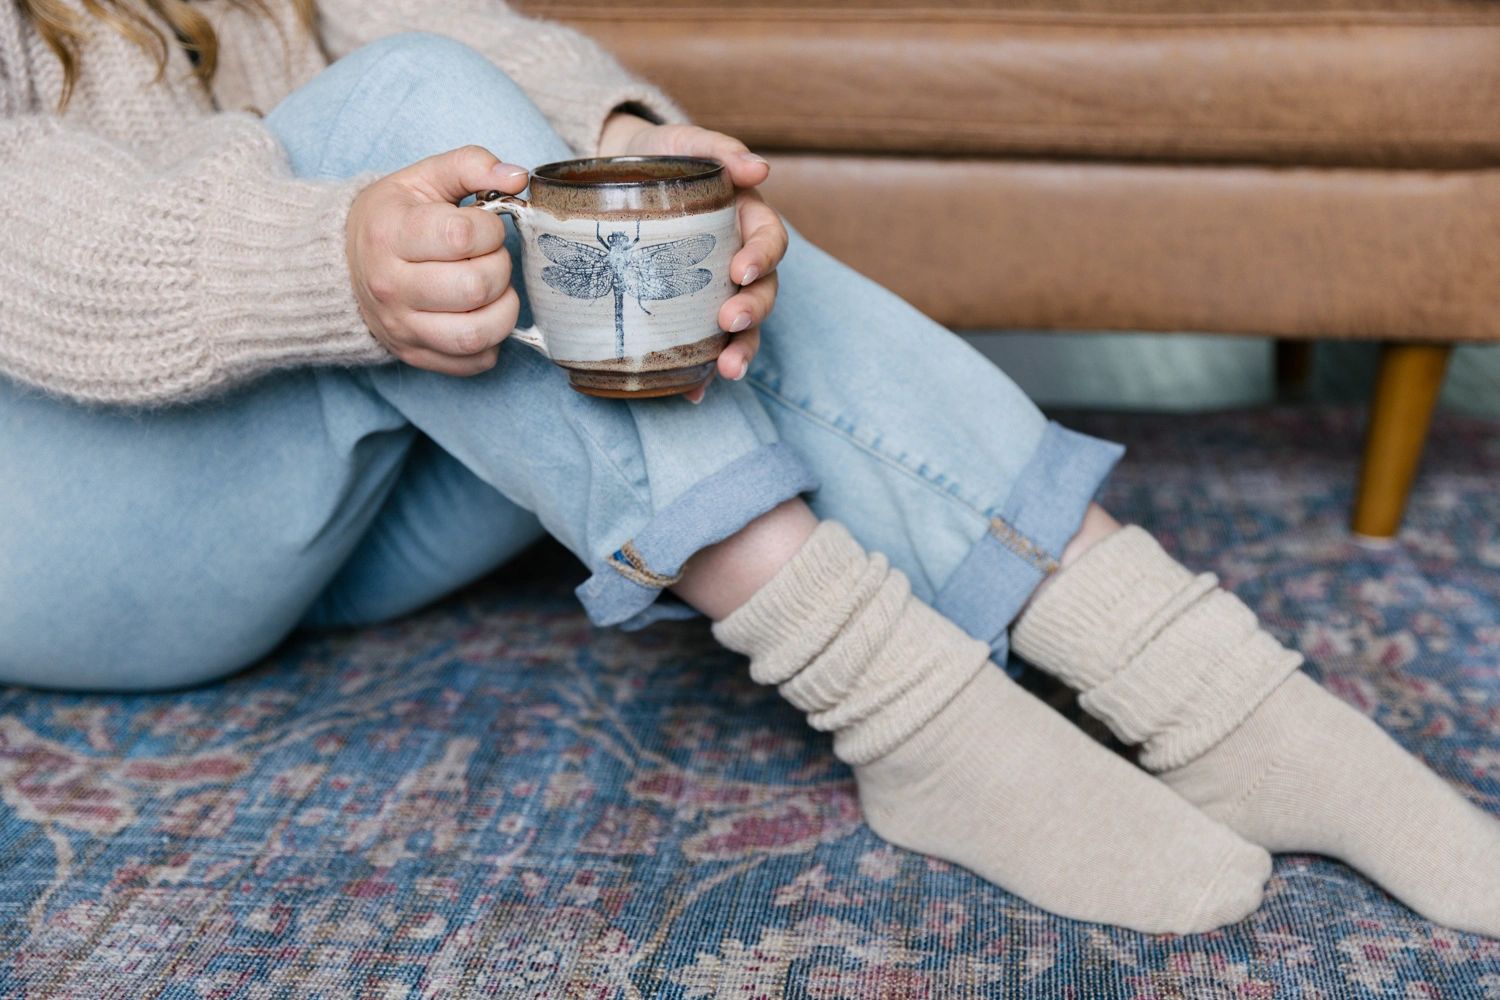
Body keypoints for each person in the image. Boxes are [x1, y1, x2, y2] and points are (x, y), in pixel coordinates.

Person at [1, 0, 1496, 939]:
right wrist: (319, 257)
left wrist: (641, 160)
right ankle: (904, 713)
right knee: (419, 120)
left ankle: (1205, 688)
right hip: (74, 529)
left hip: (306, 492)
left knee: (642, 220)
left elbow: (439, 28)